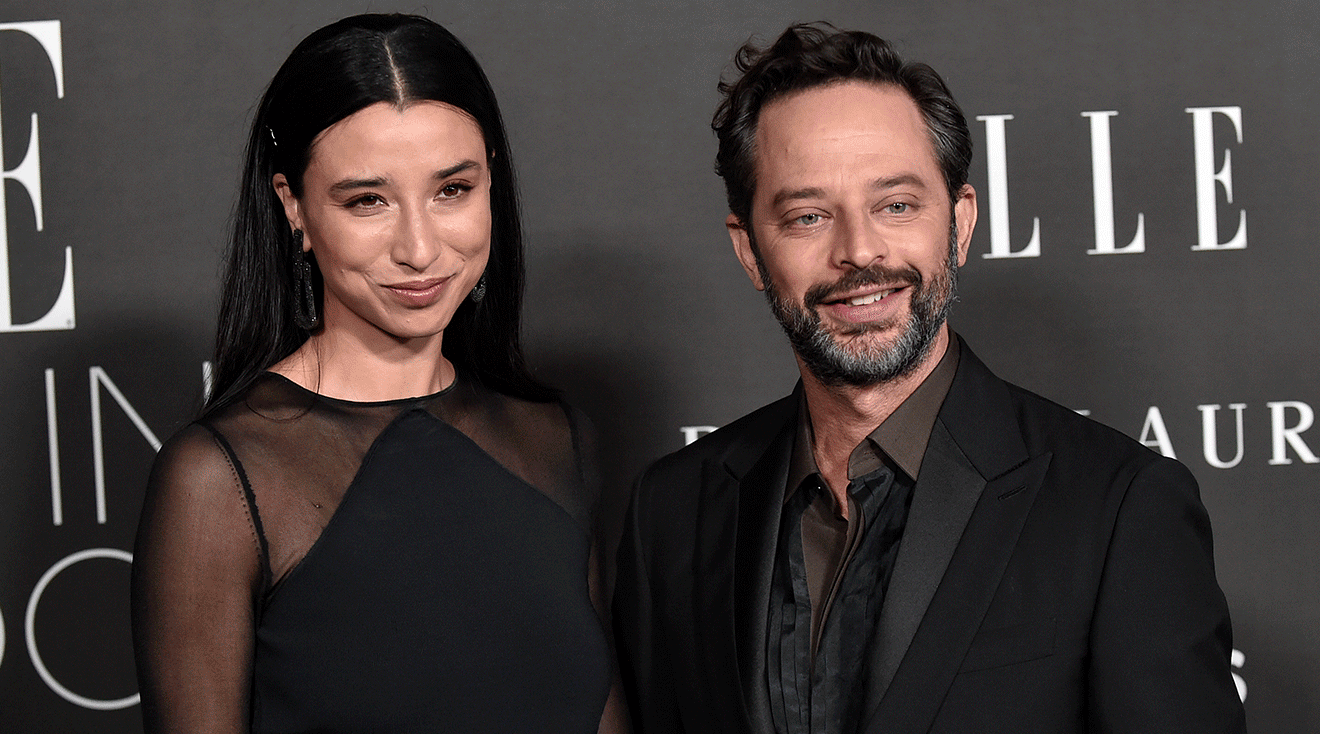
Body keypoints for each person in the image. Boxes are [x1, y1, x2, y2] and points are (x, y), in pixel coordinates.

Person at [613, 22, 1247, 734]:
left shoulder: (1118, 509)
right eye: (808, 216)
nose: (859, 252)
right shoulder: (671, 513)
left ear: (961, 223)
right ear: (751, 251)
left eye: (896, 205)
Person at [132, 14, 625, 733]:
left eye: (452, 189)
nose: (420, 249)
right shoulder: (222, 479)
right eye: (368, 200)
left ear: (492, 182)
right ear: (293, 206)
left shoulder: (554, 439)